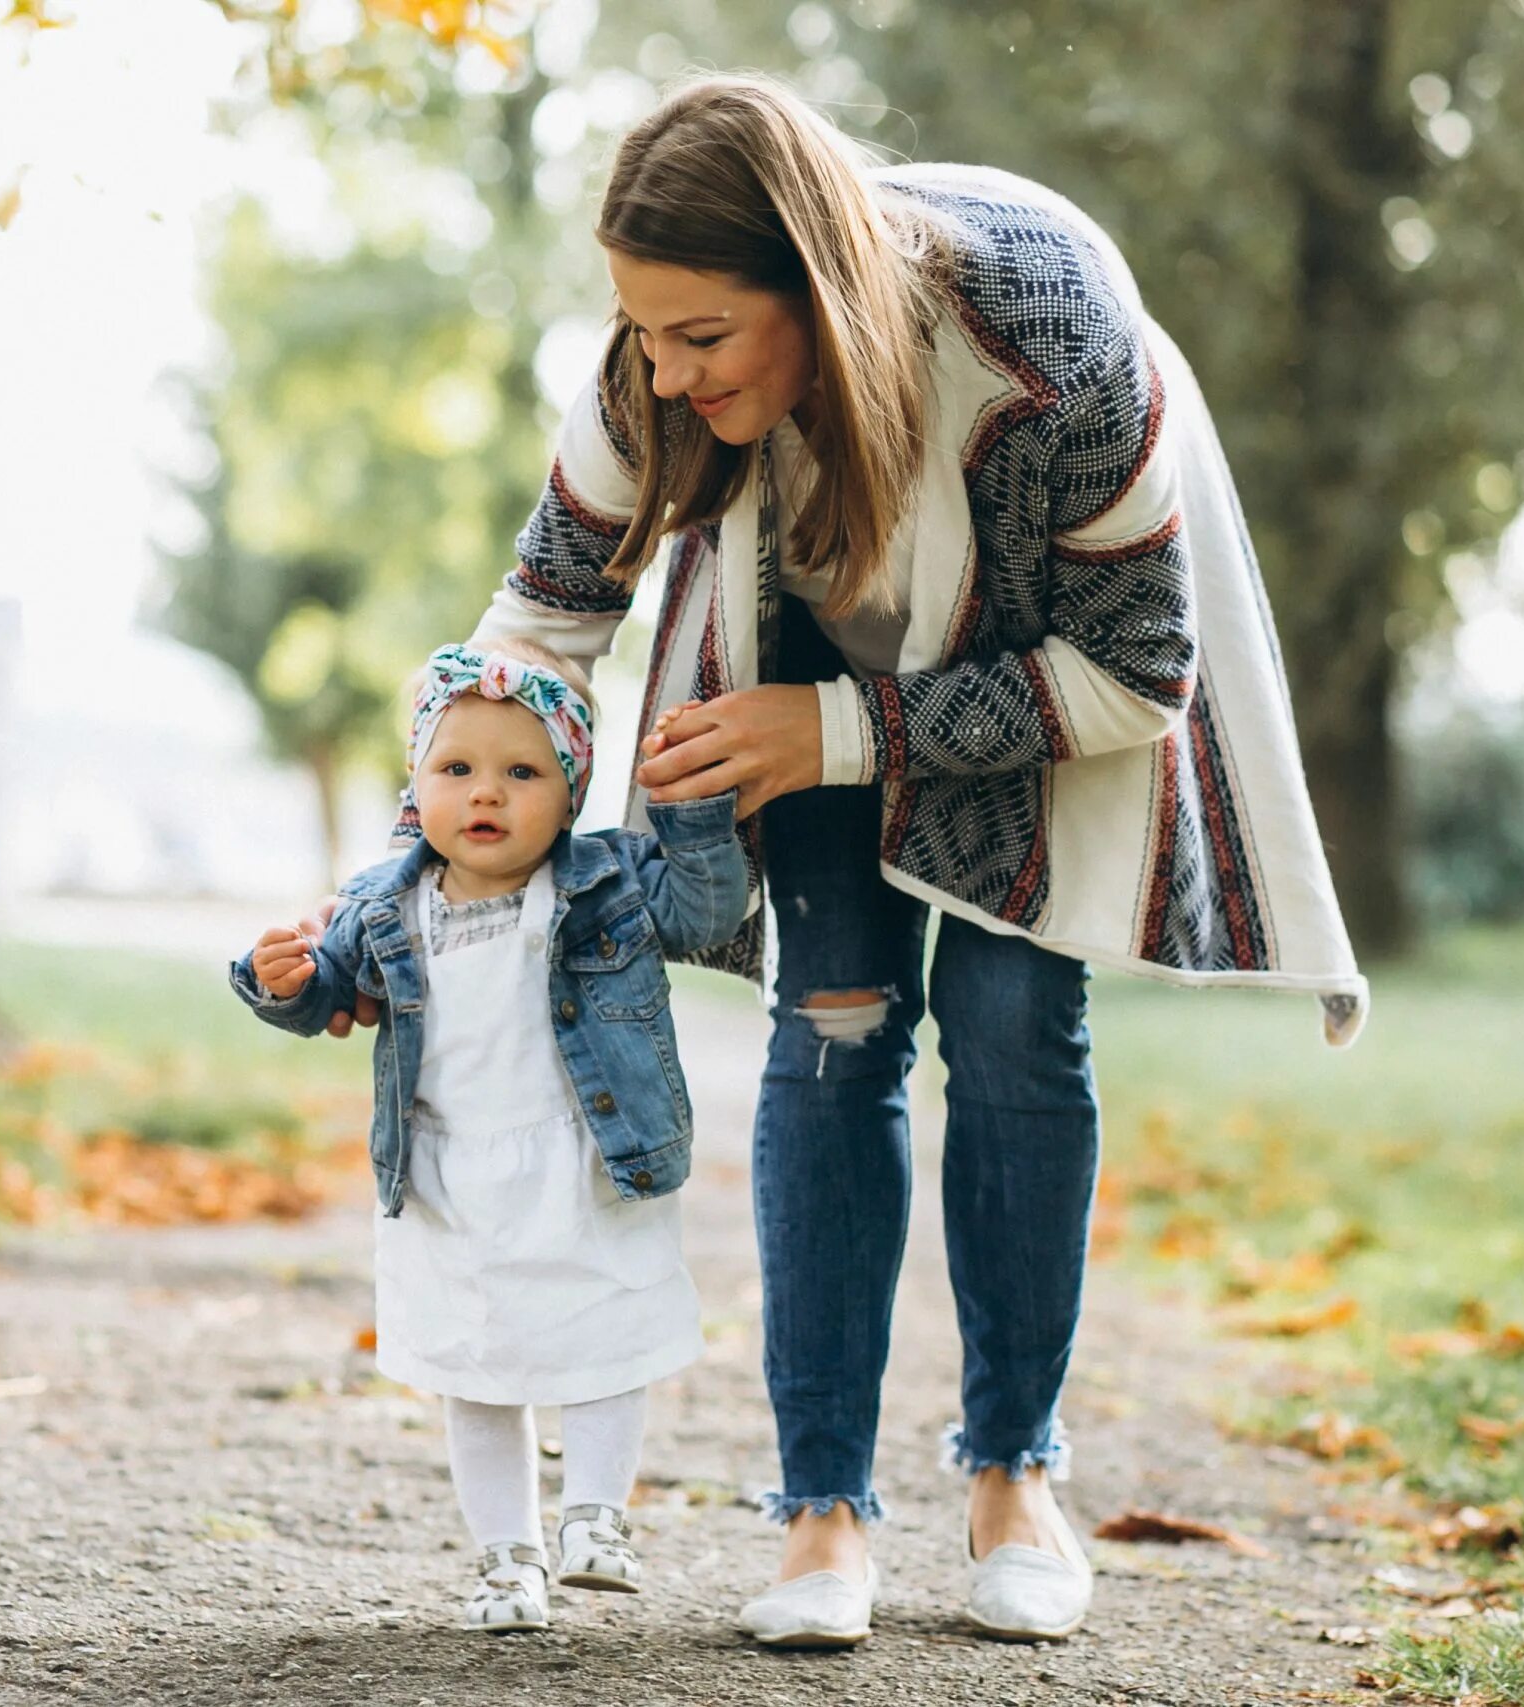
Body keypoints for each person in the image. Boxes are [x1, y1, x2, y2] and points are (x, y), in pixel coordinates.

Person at [318, 75, 1369, 1646]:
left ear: (811, 284)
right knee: (837, 1025)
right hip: (795, 646)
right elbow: (535, 626)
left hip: (1034, 675)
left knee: (1017, 1022)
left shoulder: (1051, 340)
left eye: (699, 338)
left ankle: (1015, 1472)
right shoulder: (654, 376)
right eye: (641, 334)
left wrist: (837, 732)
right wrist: (405, 885)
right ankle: (822, 1510)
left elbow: (1138, 676)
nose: (660, 378)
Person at [231, 638, 751, 1633]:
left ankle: (596, 1518)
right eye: (456, 768)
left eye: (522, 773)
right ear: (415, 786)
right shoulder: (384, 902)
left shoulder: (607, 880)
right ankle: (506, 1560)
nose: (487, 794)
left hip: (587, 1157)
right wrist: (279, 981)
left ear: (569, 796)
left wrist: (691, 811)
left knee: (609, 1336)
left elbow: (706, 911)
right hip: (450, 1176)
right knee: (475, 1370)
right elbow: (326, 994)